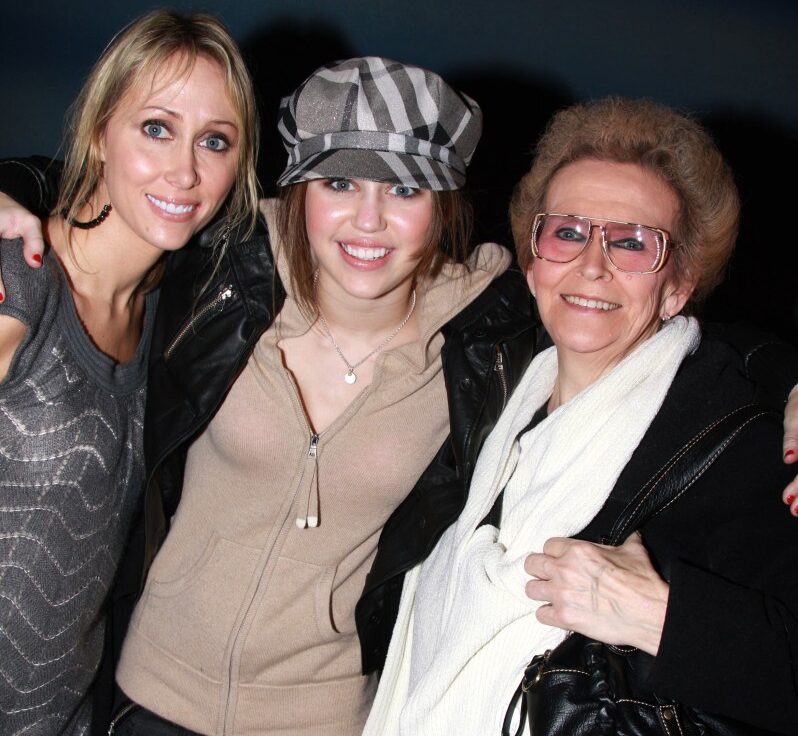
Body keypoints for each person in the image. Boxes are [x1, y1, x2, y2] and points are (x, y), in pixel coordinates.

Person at [0, 64, 796, 736]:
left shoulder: (486, 330)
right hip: (143, 698)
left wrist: (787, 377)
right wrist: (10, 188)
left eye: (407, 188)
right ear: (299, 190)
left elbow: (674, 337)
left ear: (443, 206)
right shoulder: (220, 271)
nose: (368, 219)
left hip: (329, 720)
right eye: (339, 181)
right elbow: (117, 202)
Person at [365, 98, 798, 735]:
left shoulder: (733, 447)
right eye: (567, 233)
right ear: (533, 260)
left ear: (678, 287)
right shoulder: (491, 389)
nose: (592, 266)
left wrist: (663, 617)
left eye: (632, 243)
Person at [0, 9, 259, 736]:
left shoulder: (173, 325)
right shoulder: (19, 282)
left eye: (215, 141)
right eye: (156, 128)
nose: (185, 170)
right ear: (98, 133)